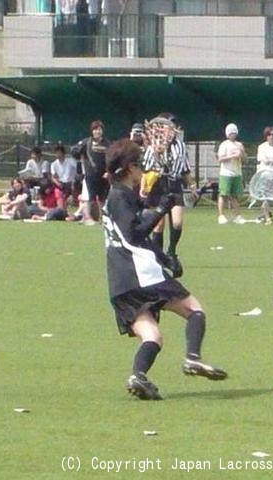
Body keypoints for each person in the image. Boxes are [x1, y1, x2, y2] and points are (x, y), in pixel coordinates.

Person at [102, 138, 227, 400]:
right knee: (195, 310)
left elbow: (135, 238)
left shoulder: (118, 197)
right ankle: (193, 357)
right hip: (141, 275)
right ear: (129, 168)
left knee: (153, 336)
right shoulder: (120, 197)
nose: (142, 172)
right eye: (139, 166)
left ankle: (138, 376)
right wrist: (162, 209)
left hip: (120, 283)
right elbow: (134, 235)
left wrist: (165, 257)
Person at [145, 113, 196, 278]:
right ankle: (157, 257)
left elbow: (185, 168)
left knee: (177, 222)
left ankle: (172, 252)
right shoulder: (154, 145)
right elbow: (146, 167)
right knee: (158, 225)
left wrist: (192, 186)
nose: (171, 129)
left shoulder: (180, 146)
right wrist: (159, 153)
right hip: (158, 186)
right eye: (168, 125)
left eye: (173, 126)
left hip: (174, 185)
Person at [71, 119, 110, 225]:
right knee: (89, 198)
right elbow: (74, 151)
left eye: (99, 129)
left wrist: (108, 171)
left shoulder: (107, 143)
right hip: (90, 175)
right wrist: (81, 157)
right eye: (95, 129)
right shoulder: (86, 142)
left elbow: (111, 159)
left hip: (104, 176)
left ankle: (105, 219)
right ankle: (87, 218)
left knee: (103, 199)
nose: (97, 132)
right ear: (92, 131)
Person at [216, 123, 246, 225]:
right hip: (226, 174)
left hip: (237, 173)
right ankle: (221, 215)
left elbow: (244, 159)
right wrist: (232, 156)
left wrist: (242, 154)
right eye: (231, 133)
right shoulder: (224, 145)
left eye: (234, 133)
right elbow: (220, 159)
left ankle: (237, 216)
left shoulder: (239, 145)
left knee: (235, 196)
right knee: (223, 194)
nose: (233, 134)